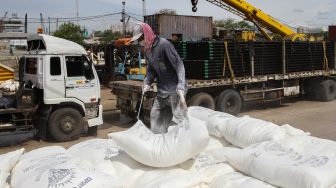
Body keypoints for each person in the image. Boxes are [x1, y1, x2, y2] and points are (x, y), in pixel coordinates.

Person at [130, 22, 188, 134]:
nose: (140, 41)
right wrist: (147, 82)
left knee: (178, 118)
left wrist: (181, 85)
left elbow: (178, 64)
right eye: (138, 39)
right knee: (155, 115)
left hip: (174, 90)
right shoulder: (147, 50)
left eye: (141, 38)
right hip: (162, 91)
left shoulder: (164, 45)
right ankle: (159, 143)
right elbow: (151, 69)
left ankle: (184, 140)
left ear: (147, 34)